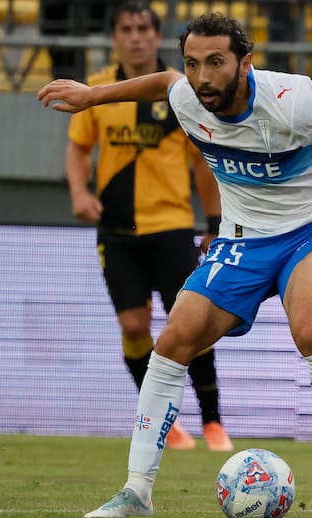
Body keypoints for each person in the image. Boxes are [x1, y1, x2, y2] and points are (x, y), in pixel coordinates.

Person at [38, 12, 312, 518]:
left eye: (215, 62)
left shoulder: (294, 101)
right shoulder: (187, 94)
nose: (203, 76)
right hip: (241, 241)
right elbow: (162, 83)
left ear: (245, 63)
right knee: (171, 343)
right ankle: (136, 490)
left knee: (309, 328)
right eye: (193, 63)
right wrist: (90, 95)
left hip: (307, 231)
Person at [64, 2, 232, 452]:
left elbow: (204, 166)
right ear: (115, 37)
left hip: (173, 226)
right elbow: (79, 149)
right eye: (126, 29)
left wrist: (214, 223)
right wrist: (80, 193)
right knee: (134, 324)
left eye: (143, 28)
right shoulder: (98, 90)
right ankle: (160, 421)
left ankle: (213, 422)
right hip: (118, 232)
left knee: (190, 324)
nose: (135, 36)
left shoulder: (182, 92)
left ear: (156, 37)